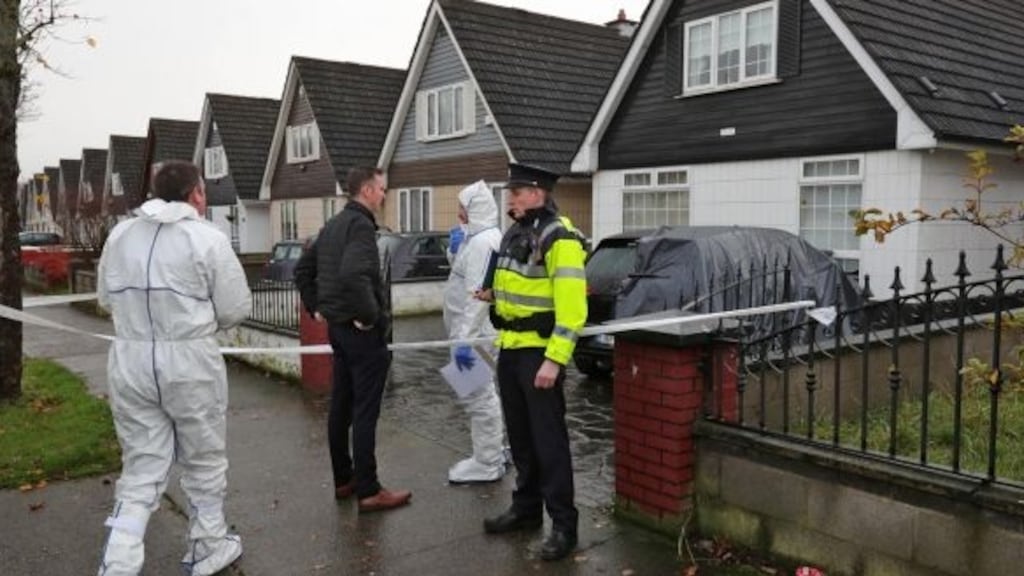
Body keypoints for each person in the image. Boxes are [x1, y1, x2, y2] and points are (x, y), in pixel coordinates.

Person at [96, 161, 251, 576]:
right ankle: (208, 546)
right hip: (189, 361)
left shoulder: (120, 235)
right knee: (203, 458)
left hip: (131, 359)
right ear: (196, 193)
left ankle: (119, 560)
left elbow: (105, 299)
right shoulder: (206, 238)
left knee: (143, 464)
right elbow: (236, 308)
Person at [477, 163, 587, 561]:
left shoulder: (560, 237)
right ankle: (526, 510)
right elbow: (521, 284)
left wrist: (555, 360)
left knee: (549, 443)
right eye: (512, 190)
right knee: (521, 438)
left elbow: (574, 309)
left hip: (540, 353)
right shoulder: (516, 232)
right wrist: (492, 296)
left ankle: (563, 526)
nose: (511, 196)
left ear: (538, 193)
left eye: (518, 191)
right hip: (511, 348)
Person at [294, 166, 411, 513]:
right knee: (364, 411)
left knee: (341, 405)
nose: (384, 194)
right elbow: (353, 273)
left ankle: (344, 480)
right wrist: (370, 317)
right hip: (361, 334)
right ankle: (370, 490)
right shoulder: (360, 226)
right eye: (381, 189)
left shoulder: (331, 226)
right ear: (366, 190)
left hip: (339, 332)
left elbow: (303, 271)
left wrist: (318, 309)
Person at [442, 180, 508, 483]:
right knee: (481, 395)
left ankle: (488, 462)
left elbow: (476, 297)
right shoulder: (479, 238)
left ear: (475, 209)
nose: (459, 213)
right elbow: (466, 274)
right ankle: (493, 452)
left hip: (473, 335)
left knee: (477, 397)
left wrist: (463, 341)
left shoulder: (483, 242)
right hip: (471, 333)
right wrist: (455, 253)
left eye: (462, 208)